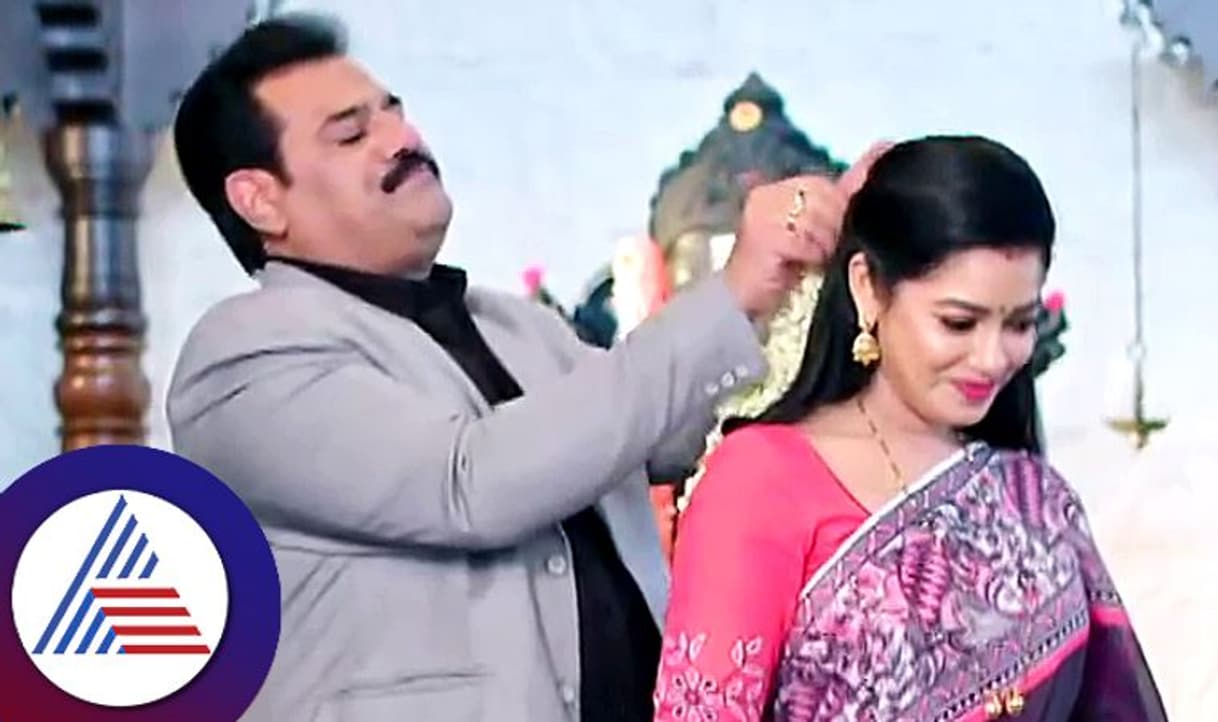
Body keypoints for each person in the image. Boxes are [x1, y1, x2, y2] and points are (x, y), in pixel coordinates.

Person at [164, 13, 872, 722]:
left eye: (394, 112)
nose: (403, 138)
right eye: (352, 134)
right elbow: (469, 483)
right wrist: (732, 290)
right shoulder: (241, 357)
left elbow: (665, 434)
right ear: (260, 199)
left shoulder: (513, 325)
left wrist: (829, 272)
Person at [652, 136, 1168, 721]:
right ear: (868, 288)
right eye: (958, 323)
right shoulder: (759, 479)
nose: (991, 358)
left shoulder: (1033, 495)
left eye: (1020, 324)